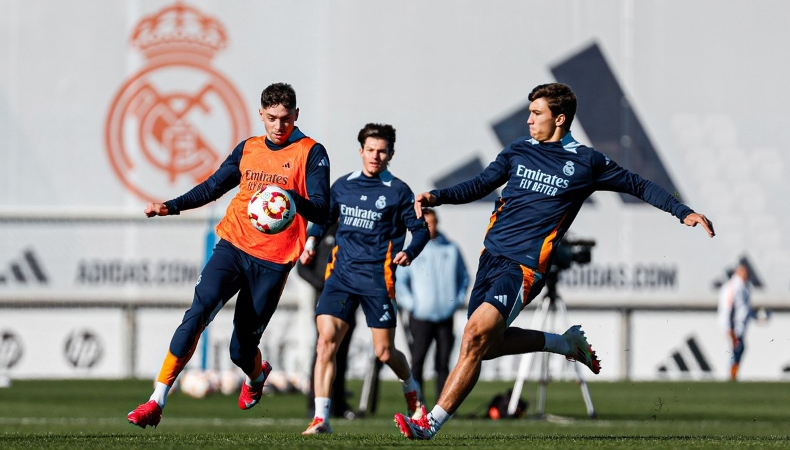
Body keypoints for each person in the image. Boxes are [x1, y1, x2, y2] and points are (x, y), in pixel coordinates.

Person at [394, 82, 715, 440]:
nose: (529, 120)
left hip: (523, 267)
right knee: (485, 348)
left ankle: (429, 424)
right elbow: (481, 184)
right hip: (490, 259)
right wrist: (438, 196)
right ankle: (563, 343)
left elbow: (638, 185)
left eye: (536, 113)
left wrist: (682, 211)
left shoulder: (586, 162)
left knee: (472, 337)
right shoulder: (518, 151)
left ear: (559, 118)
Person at [126, 82, 330, 428]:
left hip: (273, 261)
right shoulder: (249, 148)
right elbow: (213, 186)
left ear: (296, 115)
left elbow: (323, 210)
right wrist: (170, 206)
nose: (279, 126)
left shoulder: (311, 152)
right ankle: (155, 400)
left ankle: (255, 376)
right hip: (233, 245)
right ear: (260, 115)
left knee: (241, 350)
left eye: (285, 119)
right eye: (271, 118)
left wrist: (292, 201)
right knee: (198, 312)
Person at [300, 123, 430, 435]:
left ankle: (412, 391)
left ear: (391, 154)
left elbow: (421, 229)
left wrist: (409, 252)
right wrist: (311, 242)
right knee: (325, 342)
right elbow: (322, 219)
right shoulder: (343, 187)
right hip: (340, 278)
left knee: (384, 352)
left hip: (376, 281)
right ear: (361, 151)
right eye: (370, 149)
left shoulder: (398, 192)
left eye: (382, 150)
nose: (375, 155)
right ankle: (321, 418)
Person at [395, 208, 469, 404]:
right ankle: (417, 403)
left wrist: (456, 301)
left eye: (432, 222)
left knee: (443, 363)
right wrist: (412, 304)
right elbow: (400, 282)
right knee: (417, 361)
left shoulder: (451, 249)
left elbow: (464, 277)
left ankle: (443, 404)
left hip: (445, 316)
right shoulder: (412, 250)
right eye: (425, 223)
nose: (430, 227)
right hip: (420, 316)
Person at [297, 222, 357, 419]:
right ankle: (314, 404)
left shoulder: (353, 230)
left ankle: (338, 405)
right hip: (324, 300)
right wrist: (323, 284)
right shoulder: (318, 232)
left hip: (348, 299)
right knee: (323, 350)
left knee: (342, 354)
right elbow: (302, 268)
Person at [717, 260, 752, 381]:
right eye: (743, 272)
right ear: (738, 272)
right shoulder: (733, 286)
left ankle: (733, 373)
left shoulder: (743, 286)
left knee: (739, 348)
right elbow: (729, 308)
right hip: (733, 325)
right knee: (738, 347)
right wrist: (730, 327)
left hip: (738, 325)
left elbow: (744, 308)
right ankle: (732, 373)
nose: (746, 274)